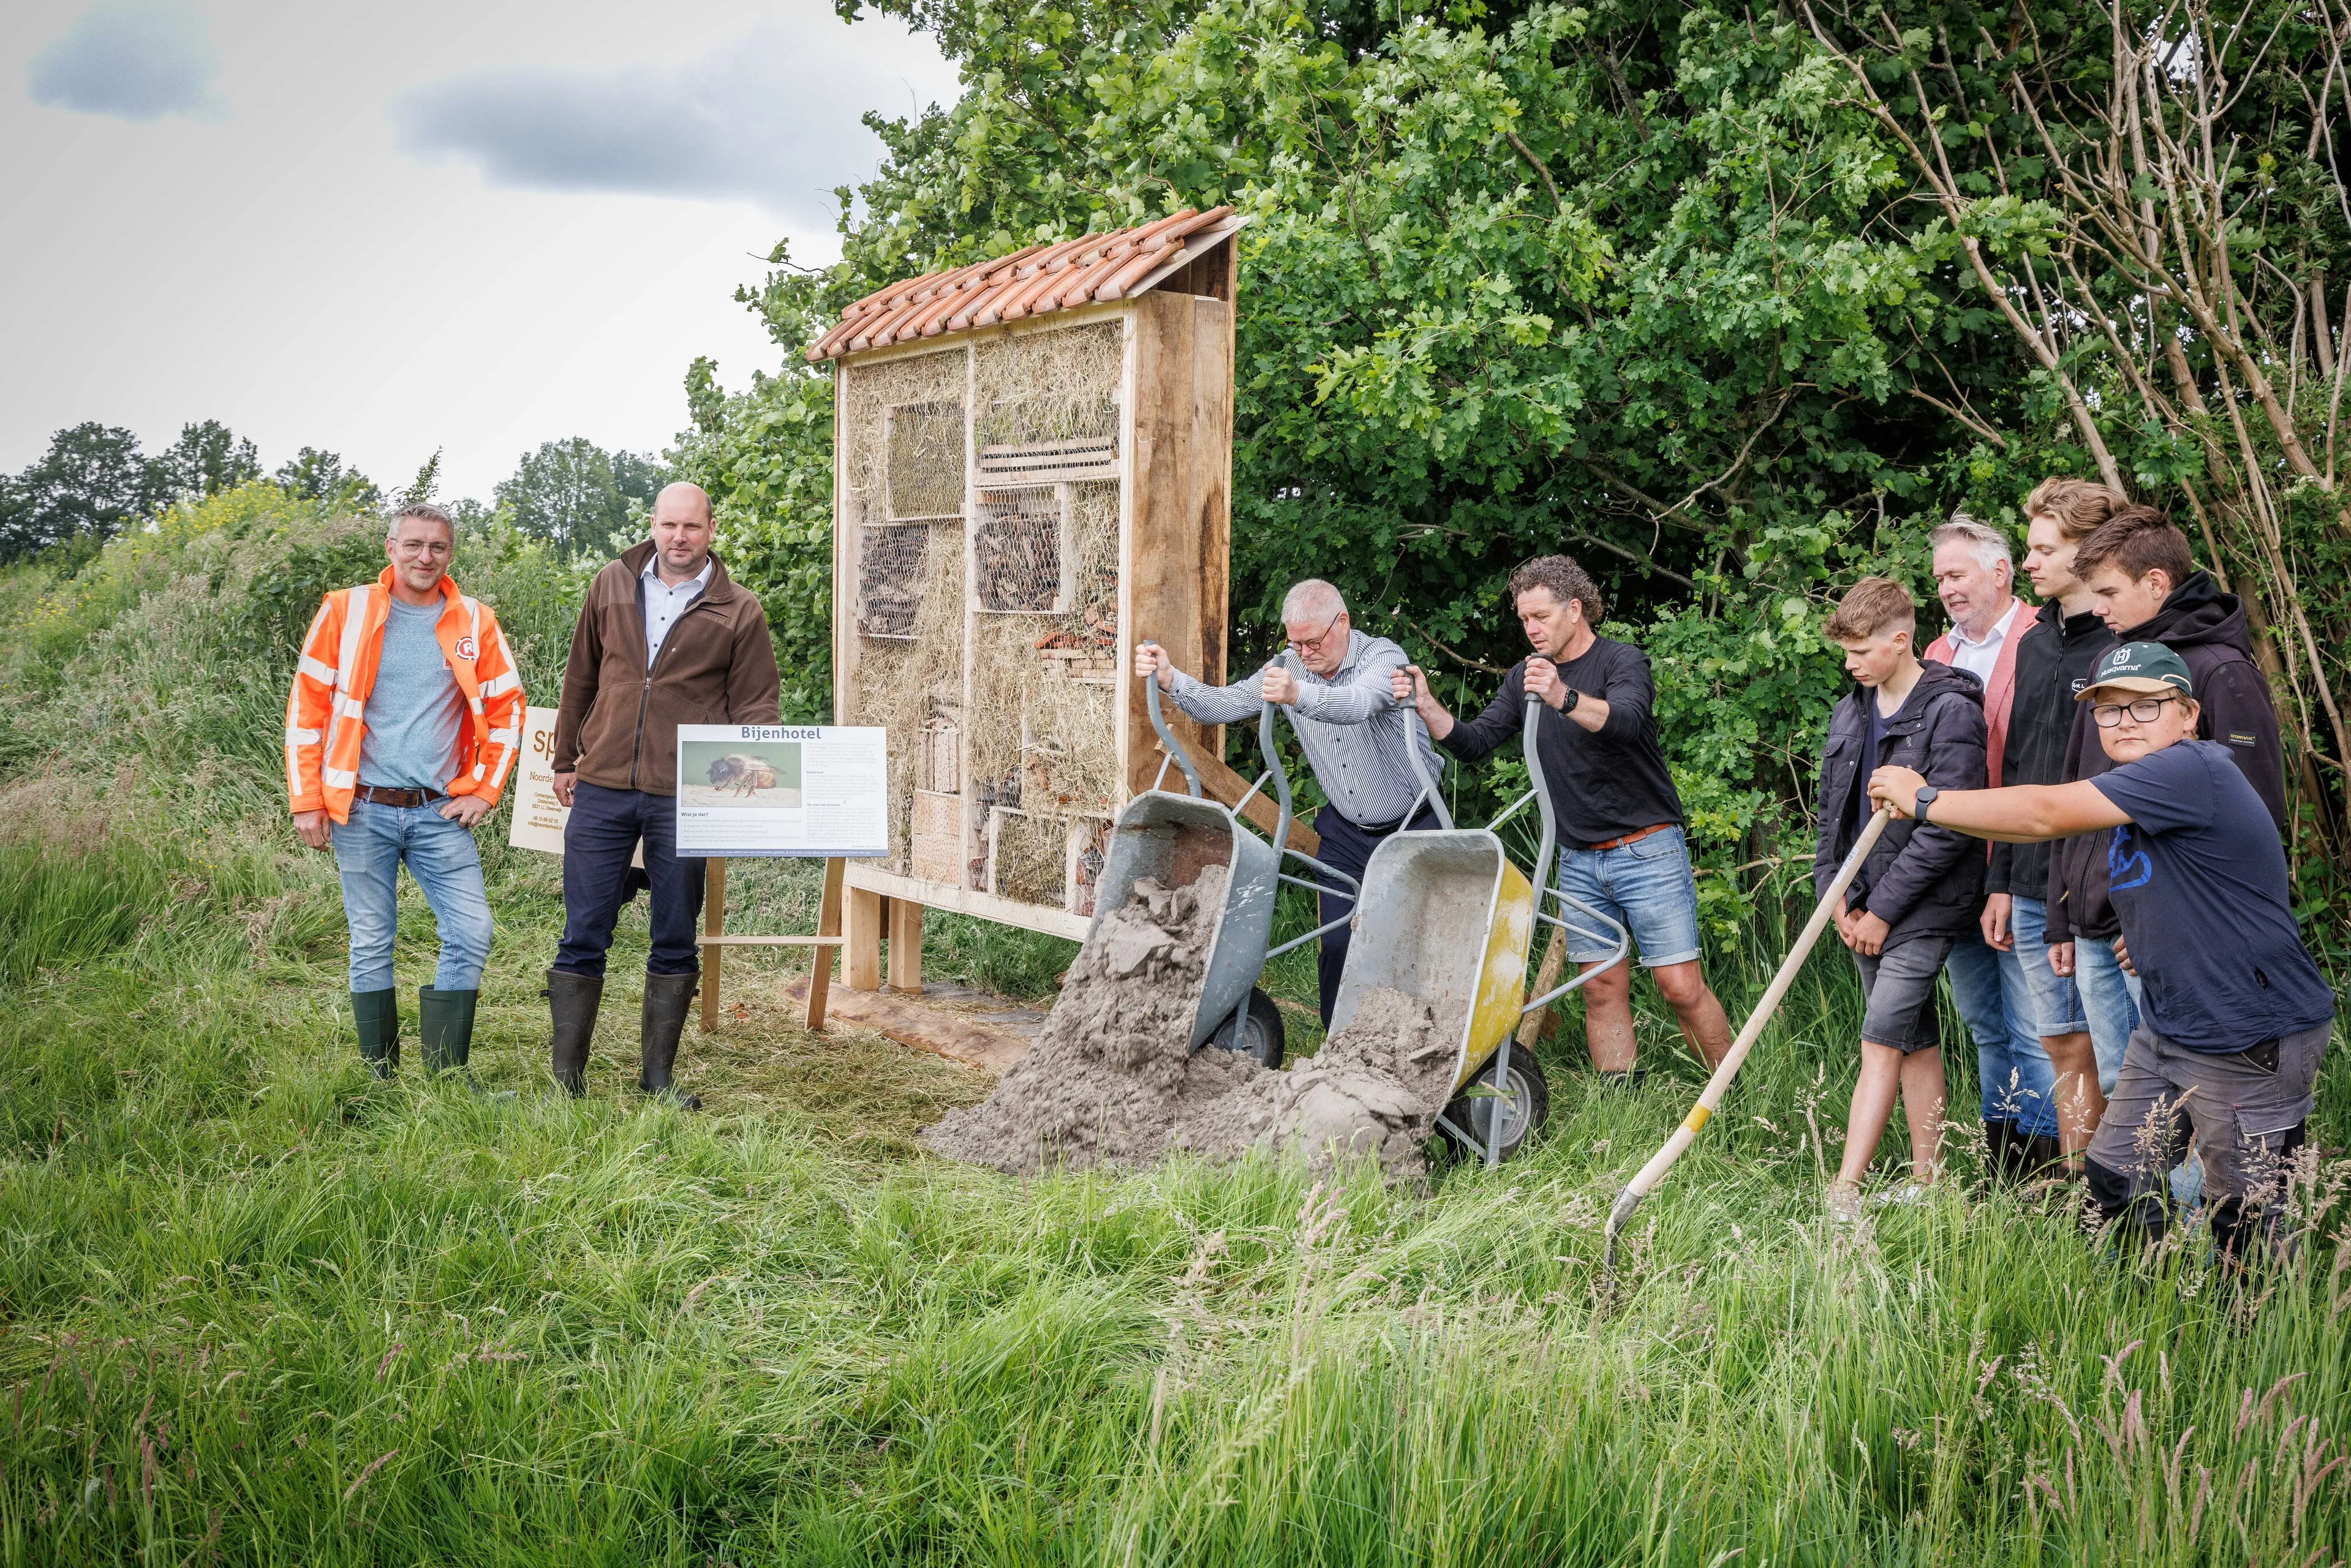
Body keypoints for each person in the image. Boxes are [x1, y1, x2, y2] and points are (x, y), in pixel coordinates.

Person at [1870, 643, 2334, 1264]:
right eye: (2108, 710)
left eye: (2145, 707)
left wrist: (1924, 799)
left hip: (2248, 1030)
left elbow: (2041, 813)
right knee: (2116, 1177)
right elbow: (2169, 872)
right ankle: (2153, 1294)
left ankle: (2244, 1340)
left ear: (2188, 713)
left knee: (2245, 1221)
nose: (2123, 723)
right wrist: (2148, 936)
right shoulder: (2141, 789)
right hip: (2171, 1025)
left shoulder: (2190, 770)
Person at [1394, 555, 1733, 1074]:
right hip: (1578, 858)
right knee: (1600, 988)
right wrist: (1428, 706)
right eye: (1524, 619)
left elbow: (1625, 721)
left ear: (1575, 610)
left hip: (1646, 849)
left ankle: (1728, 1094)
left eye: (1541, 617)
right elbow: (1476, 742)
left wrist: (1562, 695)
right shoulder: (1524, 677)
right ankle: (1622, 1102)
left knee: (1680, 987)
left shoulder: (1621, 662)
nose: (1531, 629)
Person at [546, 482, 781, 1108]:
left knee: (674, 931)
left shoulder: (739, 609)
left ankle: (658, 1080)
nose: (680, 538)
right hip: (601, 785)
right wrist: (565, 757)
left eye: (692, 527)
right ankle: (565, 1080)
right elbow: (581, 676)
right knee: (583, 929)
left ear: (711, 530)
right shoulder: (610, 584)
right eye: (669, 525)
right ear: (652, 524)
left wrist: (757, 776)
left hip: (689, 791)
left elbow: (757, 703)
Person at [285, 502, 524, 1079]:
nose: (426, 557)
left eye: (437, 547)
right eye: (413, 545)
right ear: (390, 549)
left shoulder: (474, 620)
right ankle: (379, 1078)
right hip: (360, 809)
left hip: (439, 812)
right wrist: (307, 799)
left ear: (450, 553)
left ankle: (445, 1072)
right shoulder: (346, 610)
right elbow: (307, 711)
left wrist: (486, 792)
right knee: (371, 940)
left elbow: (508, 711)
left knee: (472, 931)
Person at [1135, 578, 1445, 1024]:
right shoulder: (1291, 664)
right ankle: (1336, 1043)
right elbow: (1222, 705)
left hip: (1414, 826)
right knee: (1337, 942)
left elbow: (1358, 703)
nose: (1304, 653)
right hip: (1346, 832)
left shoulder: (1383, 658)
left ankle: (1419, 1041)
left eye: (1313, 642)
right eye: (1295, 643)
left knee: (1413, 943)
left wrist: (1298, 695)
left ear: (1343, 623)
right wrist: (1170, 679)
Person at [1814, 577, 1988, 1215]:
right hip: (1857, 904)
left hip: (1923, 906)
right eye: (1846, 652)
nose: (1850, 663)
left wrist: (1884, 911)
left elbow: (1949, 826)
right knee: (1913, 1037)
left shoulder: (1950, 710)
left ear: (1900, 638)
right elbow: (1831, 814)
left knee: (1880, 1036)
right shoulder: (1850, 711)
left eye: (1861, 650)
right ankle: (1929, 1179)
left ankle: (1844, 1191)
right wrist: (1834, 893)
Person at [1920, 514, 2060, 1179]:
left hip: (2017, 861)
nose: (1946, 587)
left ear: (1999, 573)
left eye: (1957, 573)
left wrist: (2005, 878)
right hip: (1952, 865)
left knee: (2035, 1024)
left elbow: (2033, 768)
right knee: (1982, 1020)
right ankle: (2002, 1162)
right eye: (1940, 577)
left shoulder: (2040, 639)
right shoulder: (1935, 655)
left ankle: (2048, 1167)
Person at [2001, 477, 2134, 1169]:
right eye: (2027, 548)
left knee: (2115, 1050)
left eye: (2043, 549)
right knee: (2057, 1039)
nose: (2029, 562)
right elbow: (2018, 762)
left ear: (2088, 552)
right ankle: (2083, 1185)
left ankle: (2126, 1190)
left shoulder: (2121, 651)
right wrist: (2000, 877)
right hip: (2028, 873)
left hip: (2102, 877)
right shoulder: (2030, 644)